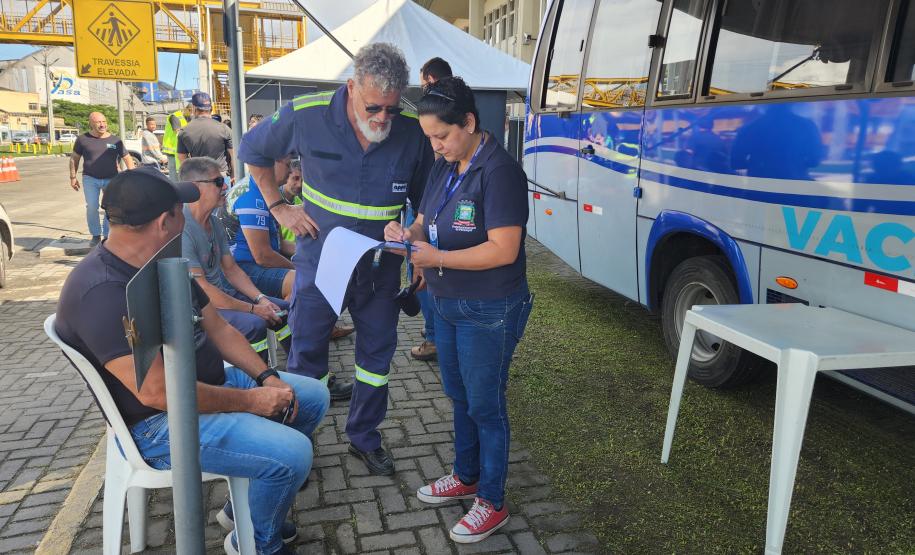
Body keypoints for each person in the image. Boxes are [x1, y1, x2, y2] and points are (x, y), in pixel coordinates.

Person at [55, 166, 329, 555]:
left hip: (202, 387)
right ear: (166, 221)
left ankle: (246, 514)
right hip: (153, 427)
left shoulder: (160, 262)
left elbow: (219, 329)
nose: (189, 215)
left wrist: (266, 377)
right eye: (179, 209)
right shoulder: (101, 291)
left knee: (312, 396)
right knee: (292, 455)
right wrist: (252, 401)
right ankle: (258, 545)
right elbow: (157, 394)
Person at [238, 43, 434, 476]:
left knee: (376, 358)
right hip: (321, 262)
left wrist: (416, 242)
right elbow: (252, 149)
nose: (383, 118)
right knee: (306, 356)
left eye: (391, 107)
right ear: (351, 87)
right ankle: (298, 446)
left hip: (380, 267)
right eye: (372, 107)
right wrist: (277, 206)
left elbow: (425, 201)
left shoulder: (411, 130)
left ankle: (363, 438)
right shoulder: (305, 114)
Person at [384, 77, 533, 544]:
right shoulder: (444, 166)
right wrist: (406, 234)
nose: (436, 145)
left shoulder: (500, 171)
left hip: (490, 306)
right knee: (459, 394)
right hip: (446, 303)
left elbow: (504, 249)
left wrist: (439, 259)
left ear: (468, 122)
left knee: (486, 404)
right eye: (429, 137)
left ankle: (492, 500)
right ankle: (465, 476)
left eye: (441, 136)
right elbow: (427, 221)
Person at [179, 157, 291, 361]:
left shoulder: (214, 222)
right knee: (255, 324)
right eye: (218, 182)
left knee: (282, 310)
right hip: (199, 308)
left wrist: (261, 299)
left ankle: (301, 372)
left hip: (222, 295)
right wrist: (253, 309)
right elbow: (203, 290)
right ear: (195, 188)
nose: (226, 187)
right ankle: (260, 384)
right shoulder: (182, 229)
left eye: (225, 181)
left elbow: (232, 270)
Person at [410, 57, 454, 362]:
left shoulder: (434, 109)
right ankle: (437, 332)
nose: (437, 144)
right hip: (430, 203)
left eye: (440, 137)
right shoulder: (451, 110)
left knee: (424, 269)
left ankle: (435, 335)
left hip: (431, 201)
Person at [69, 111, 135, 247]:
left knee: (110, 208)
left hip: (111, 179)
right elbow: (74, 158)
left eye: (104, 122)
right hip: (90, 178)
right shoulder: (83, 139)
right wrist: (73, 177)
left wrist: (132, 175)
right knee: (92, 206)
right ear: (91, 123)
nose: (102, 124)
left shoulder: (115, 140)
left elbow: (127, 157)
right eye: (98, 122)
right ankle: (95, 235)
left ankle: (107, 235)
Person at [177, 92, 234, 181]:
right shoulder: (224, 128)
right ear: (210, 108)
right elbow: (233, 154)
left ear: (194, 108)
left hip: (198, 177)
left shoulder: (184, 131)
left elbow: (182, 159)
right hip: (221, 176)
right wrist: (233, 175)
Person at [162, 102, 192, 181]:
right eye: (192, 111)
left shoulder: (187, 118)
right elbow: (178, 132)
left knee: (180, 172)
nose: (193, 114)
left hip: (179, 149)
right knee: (174, 173)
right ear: (188, 109)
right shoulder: (175, 116)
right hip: (172, 150)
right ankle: (174, 190)